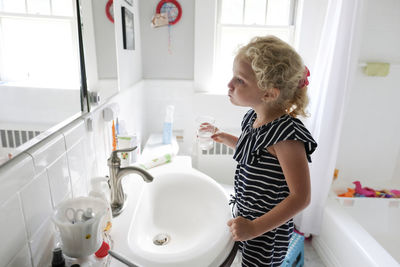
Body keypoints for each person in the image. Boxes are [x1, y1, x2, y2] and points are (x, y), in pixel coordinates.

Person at [211, 35, 317, 266]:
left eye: (240, 80)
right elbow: (255, 152)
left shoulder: (287, 137)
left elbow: (301, 197)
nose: (230, 84)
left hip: (267, 233)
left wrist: (255, 228)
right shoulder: (253, 118)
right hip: (247, 218)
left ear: (269, 93)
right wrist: (225, 137)